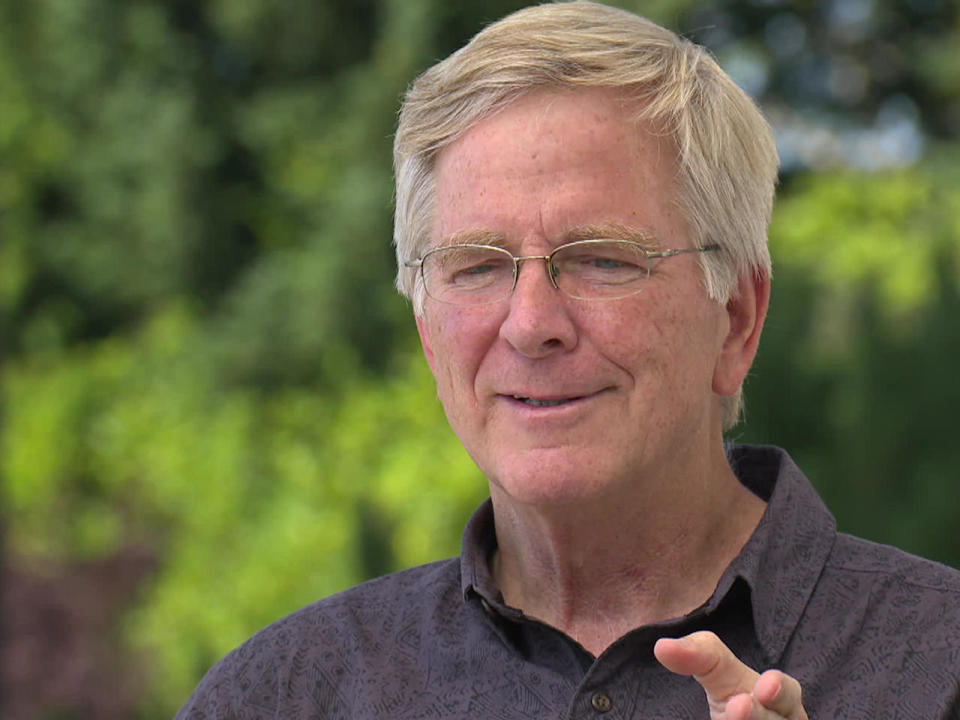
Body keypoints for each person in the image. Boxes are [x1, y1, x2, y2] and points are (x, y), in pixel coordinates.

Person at [176, 2, 960, 718]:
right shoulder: (283, 695)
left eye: (602, 260)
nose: (530, 324)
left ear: (737, 320)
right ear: (426, 332)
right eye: (476, 266)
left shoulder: (939, 663)